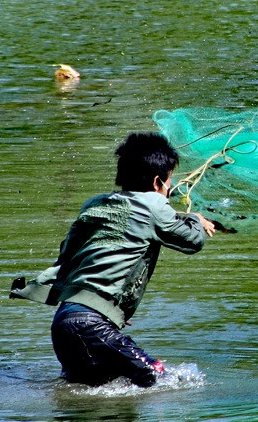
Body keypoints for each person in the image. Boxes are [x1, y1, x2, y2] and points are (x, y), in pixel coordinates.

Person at [12, 131, 216, 387]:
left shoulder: (95, 205)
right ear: (157, 182)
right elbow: (192, 241)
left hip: (64, 322)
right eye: (169, 183)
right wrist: (196, 219)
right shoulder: (155, 204)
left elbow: (70, 254)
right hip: (90, 324)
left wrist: (108, 305)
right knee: (162, 381)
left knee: (91, 392)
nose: (169, 190)